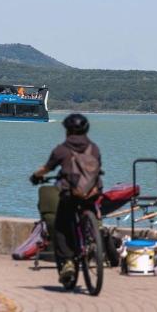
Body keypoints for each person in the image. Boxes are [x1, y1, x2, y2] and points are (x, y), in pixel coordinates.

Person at [30, 113, 102, 284]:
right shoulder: (94, 148)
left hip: (71, 194)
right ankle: (93, 237)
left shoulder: (61, 150)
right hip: (92, 193)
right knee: (90, 211)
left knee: (61, 226)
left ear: (67, 130)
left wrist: (35, 176)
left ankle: (68, 261)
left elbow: (47, 169)